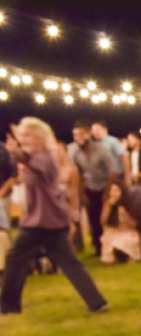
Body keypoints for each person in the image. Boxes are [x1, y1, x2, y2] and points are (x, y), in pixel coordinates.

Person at [1, 117, 107, 314]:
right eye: (22, 135)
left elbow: (30, 161)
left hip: (41, 221)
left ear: (39, 137)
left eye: (27, 135)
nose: (24, 139)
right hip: (51, 219)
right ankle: (97, 302)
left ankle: (8, 307)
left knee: (15, 259)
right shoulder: (37, 155)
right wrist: (18, 147)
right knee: (69, 262)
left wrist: (15, 148)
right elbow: (25, 159)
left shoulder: (45, 157)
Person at [69, 119, 118, 256]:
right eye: (75, 135)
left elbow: (113, 172)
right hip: (89, 188)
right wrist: (82, 193)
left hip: (105, 187)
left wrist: (106, 192)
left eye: (80, 135)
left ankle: (112, 246)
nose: (77, 138)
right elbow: (77, 174)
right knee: (93, 220)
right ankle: (98, 247)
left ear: (88, 134)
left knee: (107, 219)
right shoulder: (76, 153)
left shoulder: (101, 150)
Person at [99, 182, 141, 265]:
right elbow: (102, 222)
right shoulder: (107, 204)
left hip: (128, 232)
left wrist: (124, 215)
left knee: (122, 242)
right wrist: (108, 207)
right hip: (114, 231)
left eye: (116, 191)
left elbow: (134, 225)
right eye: (112, 191)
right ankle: (115, 256)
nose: (113, 193)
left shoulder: (129, 204)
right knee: (108, 257)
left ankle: (126, 256)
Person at [52, 140, 83, 252]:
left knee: (69, 230)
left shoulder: (72, 168)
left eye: (59, 151)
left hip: (68, 202)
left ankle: (68, 251)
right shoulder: (51, 168)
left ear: (65, 152)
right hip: (54, 203)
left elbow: (74, 189)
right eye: (54, 151)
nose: (56, 154)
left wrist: (73, 208)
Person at [0, 141, 17, 272]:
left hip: (3, 196)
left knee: (4, 231)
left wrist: (2, 192)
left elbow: (13, 174)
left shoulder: (4, 150)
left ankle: (9, 266)